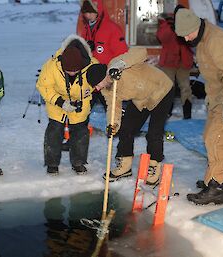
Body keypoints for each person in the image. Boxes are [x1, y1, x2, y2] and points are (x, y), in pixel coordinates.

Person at [175, 9, 223, 205]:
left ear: (196, 26)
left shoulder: (217, 40)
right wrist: (211, 99)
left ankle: (217, 187)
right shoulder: (201, 39)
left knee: (217, 140)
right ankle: (219, 175)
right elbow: (214, 75)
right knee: (208, 137)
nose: (186, 39)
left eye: (188, 34)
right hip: (219, 97)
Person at [86, 48, 174, 184]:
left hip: (161, 90)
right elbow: (113, 107)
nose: (97, 88)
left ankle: (154, 165)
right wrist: (112, 125)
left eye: (97, 84)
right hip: (142, 99)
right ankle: (125, 165)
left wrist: (118, 65)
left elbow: (141, 52)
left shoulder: (116, 64)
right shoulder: (107, 89)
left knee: (154, 133)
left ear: (103, 77)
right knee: (126, 128)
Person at [36, 34, 98, 175]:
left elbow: (100, 82)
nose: (71, 73)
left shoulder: (93, 65)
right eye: (68, 71)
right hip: (57, 104)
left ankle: (78, 162)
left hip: (80, 105)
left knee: (80, 133)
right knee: (54, 133)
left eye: (74, 71)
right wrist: (60, 102)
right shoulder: (52, 65)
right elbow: (43, 86)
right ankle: (52, 164)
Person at [79, 0, 128, 110]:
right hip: (90, 77)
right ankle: (80, 127)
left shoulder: (112, 28)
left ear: (98, 11)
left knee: (112, 110)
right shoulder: (85, 30)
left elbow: (122, 53)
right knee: (84, 109)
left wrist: (113, 72)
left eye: (91, 12)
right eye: (86, 13)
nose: (89, 15)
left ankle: (117, 127)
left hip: (106, 78)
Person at [156, 9, 194, 119]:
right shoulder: (166, 24)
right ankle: (167, 112)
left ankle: (187, 114)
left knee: (185, 88)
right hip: (169, 62)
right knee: (168, 87)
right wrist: (170, 27)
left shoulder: (188, 24)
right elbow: (161, 38)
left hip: (183, 61)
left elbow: (192, 41)